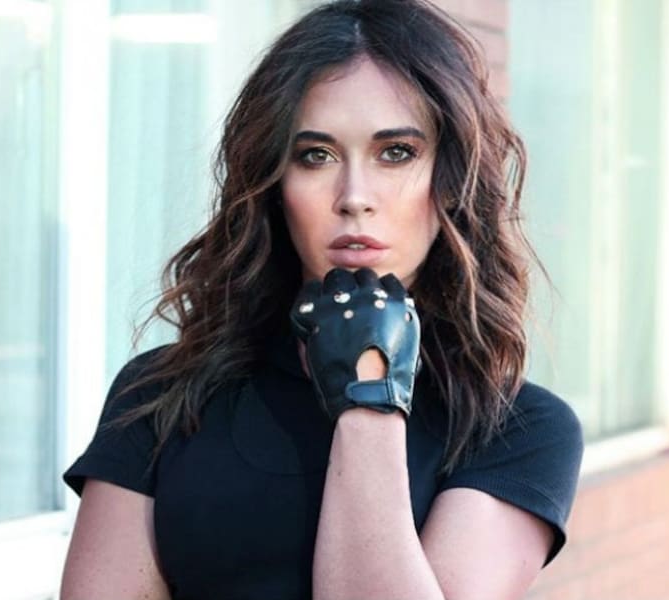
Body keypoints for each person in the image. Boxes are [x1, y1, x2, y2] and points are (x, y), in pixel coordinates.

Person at [60, 0, 584, 598]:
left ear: (453, 181)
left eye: (396, 152)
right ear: (274, 184)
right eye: (316, 156)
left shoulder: (516, 428)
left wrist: (369, 394)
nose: (354, 196)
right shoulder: (160, 395)